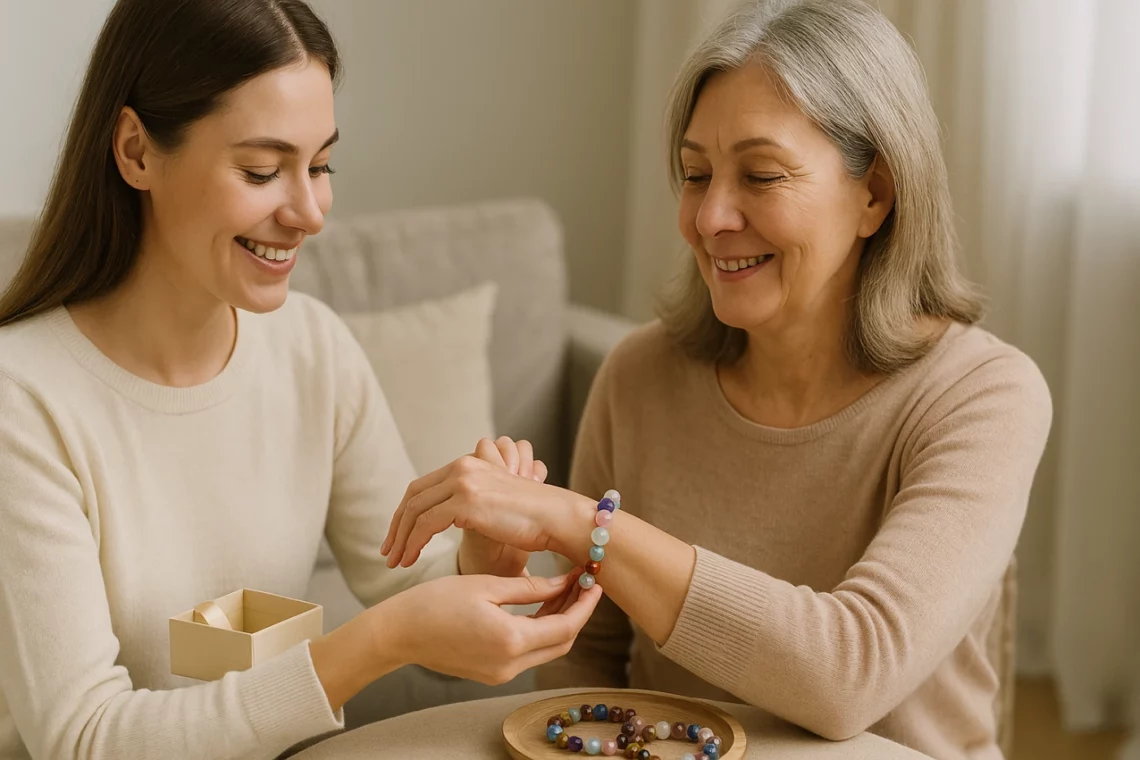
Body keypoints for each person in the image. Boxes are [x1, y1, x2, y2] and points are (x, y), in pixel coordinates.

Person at [381, 1, 1053, 758]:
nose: (709, 218)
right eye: (696, 175)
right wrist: (499, 576)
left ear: (876, 195)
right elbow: (584, 668)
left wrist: (579, 523)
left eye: (761, 175)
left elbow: (849, 674)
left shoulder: (984, 395)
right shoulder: (638, 377)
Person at [0, 1, 600, 758]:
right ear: (136, 152)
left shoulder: (313, 348)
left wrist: (484, 559)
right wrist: (380, 641)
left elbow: (406, 588)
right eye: (261, 171)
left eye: (320, 166)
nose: (311, 212)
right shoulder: (23, 400)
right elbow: (84, 739)